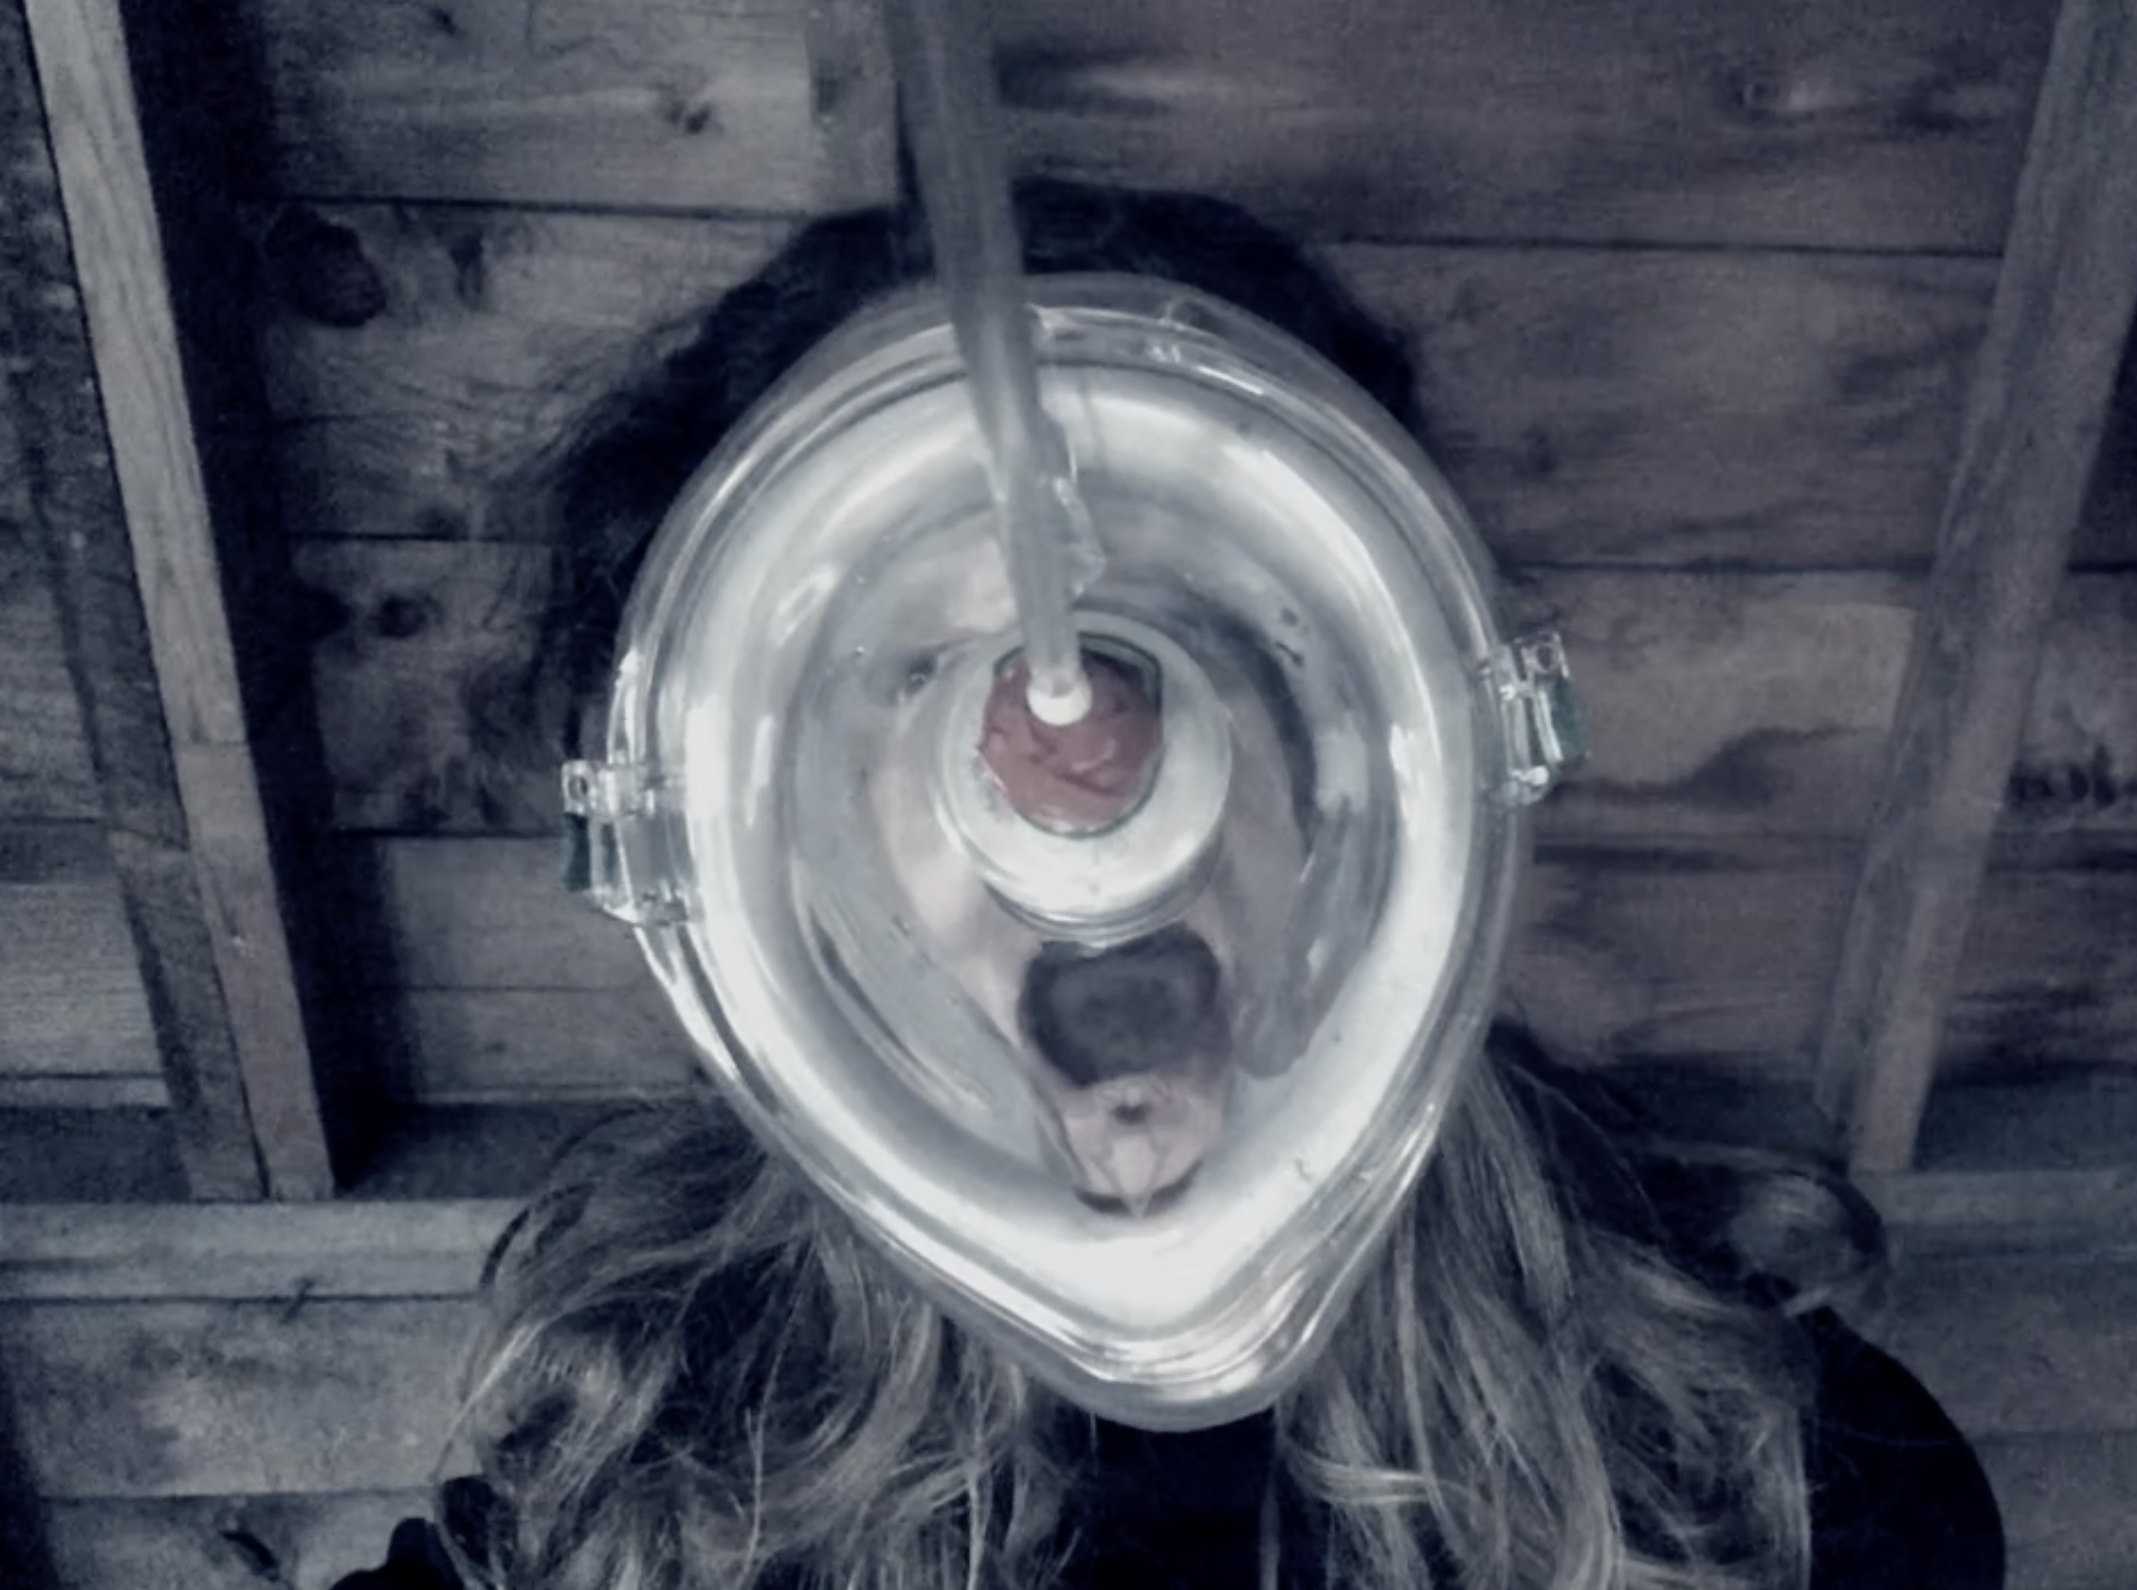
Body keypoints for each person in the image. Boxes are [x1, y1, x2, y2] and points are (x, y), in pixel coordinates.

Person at [334, 182, 2004, 1590]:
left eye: (1191, 621)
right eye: (909, 668)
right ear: (756, 845)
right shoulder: (621, 1513)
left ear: (1394, 753)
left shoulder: (1803, 1498)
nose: (1065, 763)